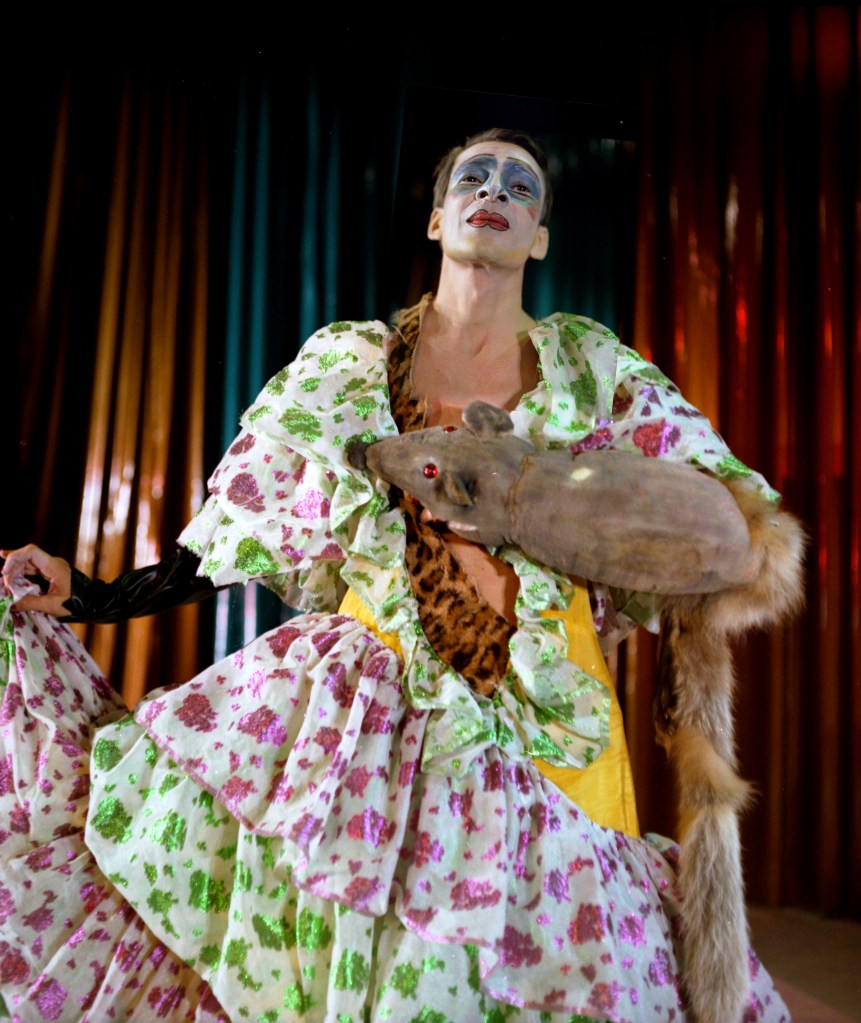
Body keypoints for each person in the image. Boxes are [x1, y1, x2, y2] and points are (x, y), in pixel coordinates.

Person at [0, 128, 804, 1023]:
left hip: (547, 715)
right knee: (360, 961)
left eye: (520, 187)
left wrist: (548, 505)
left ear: (540, 236)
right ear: (435, 217)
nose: (493, 192)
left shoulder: (594, 369)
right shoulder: (347, 364)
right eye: (473, 178)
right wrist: (94, 594)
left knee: (536, 968)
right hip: (370, 709)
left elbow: (737, 535)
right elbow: (235, 530)